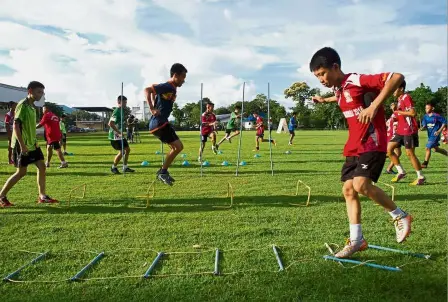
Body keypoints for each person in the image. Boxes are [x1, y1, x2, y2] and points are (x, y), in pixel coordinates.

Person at [310, 47, 412, 258]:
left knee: (360, 184)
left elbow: (396, 77)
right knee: (349, 190)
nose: (321, 79)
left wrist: (375, 105)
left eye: (322, 73)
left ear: (335, 67)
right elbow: (341, 97)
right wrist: (323, 100)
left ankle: (400, 215)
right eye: (317, 76)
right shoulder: (338, 90)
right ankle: (357, 241)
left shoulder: (356, 80)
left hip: (372, 141)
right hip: (354, 145)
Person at [0, 81, 58, 207]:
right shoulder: (23, 105)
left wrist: (35, 141)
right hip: (22, 145)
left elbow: (30, 127)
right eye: (38, 92)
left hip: (33, 144)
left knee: (42, 167)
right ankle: (1, 196)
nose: (41, 95)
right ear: (30, 91)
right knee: (21, 173)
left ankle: (42, 196)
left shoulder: (33, 107)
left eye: (42, 92)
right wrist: (22, 145)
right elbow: (16, 125)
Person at [145, 63, 187, 186]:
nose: (184, 81)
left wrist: (155, 101)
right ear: (175, 75)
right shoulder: (168, 86)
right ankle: (162, 172)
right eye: (183, 77)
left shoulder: (170, 88)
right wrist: (152, 108)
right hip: (159, 123)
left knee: (176, 148)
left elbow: (154, 91)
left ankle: (163, 172)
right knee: (178, 147)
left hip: (160, 123)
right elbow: (147, 90)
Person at [387, 81, 425, 185]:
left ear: (401, 89)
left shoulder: (406, 97)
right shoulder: (399, 100)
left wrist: (397, 111)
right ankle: (401, 172)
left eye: (395, 88)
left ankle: (420, 177)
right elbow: (399, 116)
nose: (393, 91)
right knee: (389, 150)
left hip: (409, 129)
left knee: (410, 154)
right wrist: (395, 111)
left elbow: (413, 113)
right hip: (400, 130)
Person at [108, 95, 135, 174]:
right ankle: (113, 167)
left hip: (119, 135)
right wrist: (119, 132)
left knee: (127, 150)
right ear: (119, 102)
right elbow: (110, 123)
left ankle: (125, 167)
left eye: (126, 102)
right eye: (124, 102)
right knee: (122, 151)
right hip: (115, 136)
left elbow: (119, 123)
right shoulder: (116, 111)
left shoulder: (122, 111)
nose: (125, 104)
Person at [419, 103, 447, 168]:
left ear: (432, 108)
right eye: (425, 108)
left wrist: (439, 131)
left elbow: (444, 122)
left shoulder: (436, 116)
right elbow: (424, 125)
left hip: (435, 135)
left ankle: (425, 164)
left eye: (428, 108)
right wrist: (421, 128)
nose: (426, 109)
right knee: (436, 149)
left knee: (427, 147)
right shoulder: (425, 116)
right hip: (430, 135)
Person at [385, 103, 401, 174]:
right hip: (393, 136)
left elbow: (387, 124)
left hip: (392, 135)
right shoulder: (395, 114)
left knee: (397, 153)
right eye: (391, 105)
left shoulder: (393, 115)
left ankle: (389, 168)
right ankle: (389, 168)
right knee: (397, 153)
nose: (392, 106)